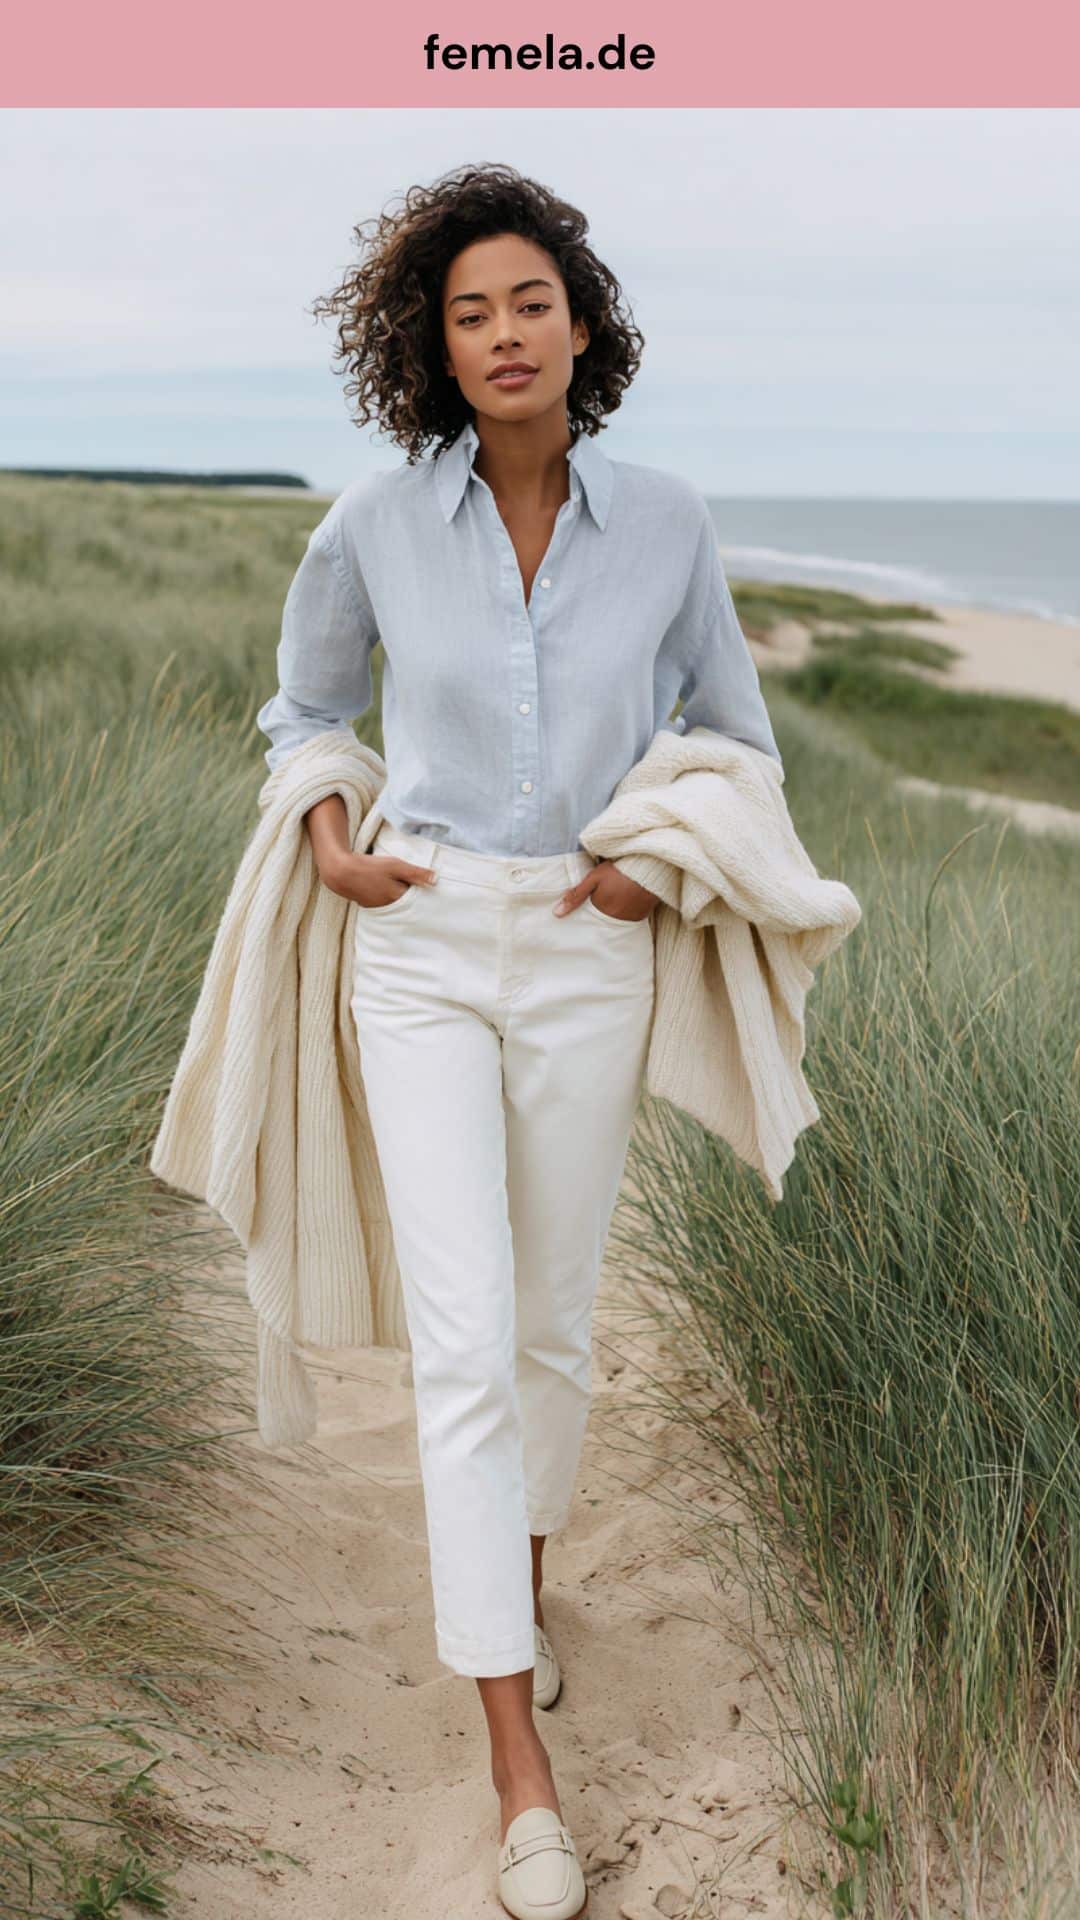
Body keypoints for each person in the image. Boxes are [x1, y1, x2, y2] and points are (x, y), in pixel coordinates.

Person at [255, 161, 783, 1920]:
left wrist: (643, 864)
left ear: (582, 323)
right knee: (470, 1342)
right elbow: (306, 707)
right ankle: (520, 1772)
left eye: (528, 303)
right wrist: (332, 836)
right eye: (467, 311)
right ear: (433, 341)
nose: (501, 335)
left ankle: (519, 1594)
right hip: (416, 946)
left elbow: (740, 734)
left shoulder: (675, 523)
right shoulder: (377, 523)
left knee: (552, 1326)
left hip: (585, 948)